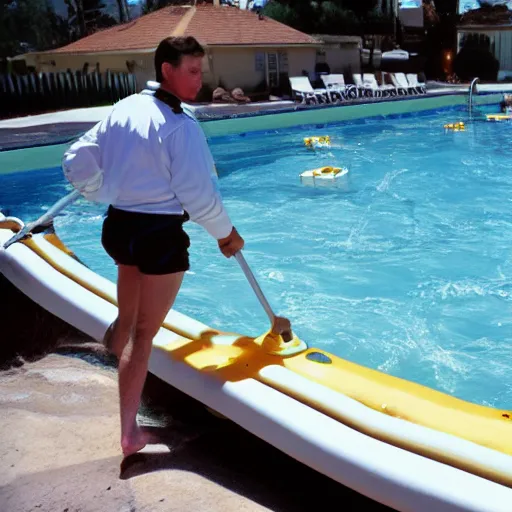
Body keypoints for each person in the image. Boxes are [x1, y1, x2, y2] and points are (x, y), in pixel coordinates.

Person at [61, 36, 244, 457]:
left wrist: (102, 191)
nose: (202, 79)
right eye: (193, 71)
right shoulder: (181, 126)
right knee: (144, 337)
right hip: (159, 237)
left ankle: (114, 356)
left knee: (128, 317)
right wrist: (226, 235)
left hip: (120, 228)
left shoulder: (124, 107)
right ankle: (130, 434)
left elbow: (75, 158)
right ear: (167, 70)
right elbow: (198, 197)